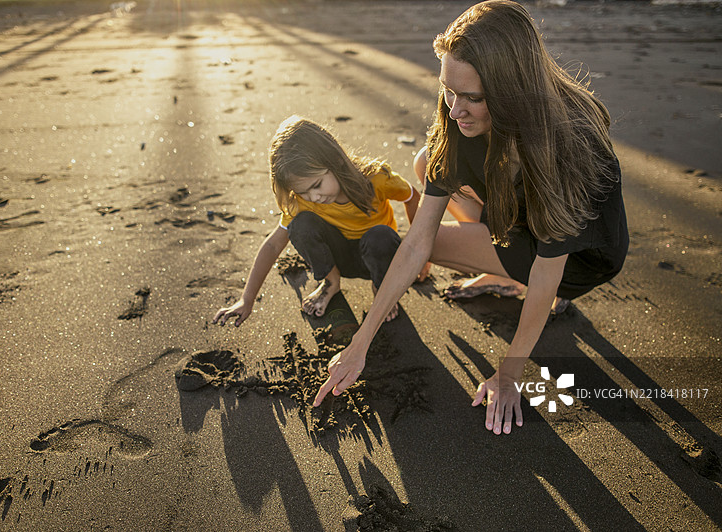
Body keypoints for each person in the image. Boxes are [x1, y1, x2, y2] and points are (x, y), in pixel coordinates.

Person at [313, 0, 628, 435]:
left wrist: (510, 373)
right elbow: (415, 240)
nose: (454, 108)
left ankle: (504, 272)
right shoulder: (459, 116)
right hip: (523, 220)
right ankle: (499, 266)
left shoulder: (569, 146)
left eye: (473, 98)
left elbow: (546, 274)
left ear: (512, 91)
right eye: (448, 89)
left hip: (575, 261)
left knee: (443, 244)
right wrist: (360, 342)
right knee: (429, 163)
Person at [213, 115, 422, 327]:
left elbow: (413, 198)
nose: (314, 197)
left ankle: (382, 290)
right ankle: (330, 282)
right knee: (300, 225)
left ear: (335, 160)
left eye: (317, 185)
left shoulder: (376, 178)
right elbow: (274, 244)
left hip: (380, 257)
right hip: (338, 258)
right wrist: (246, 300)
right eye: (303, 192)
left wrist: (421, 255)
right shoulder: (303, 202)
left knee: (380, 236)